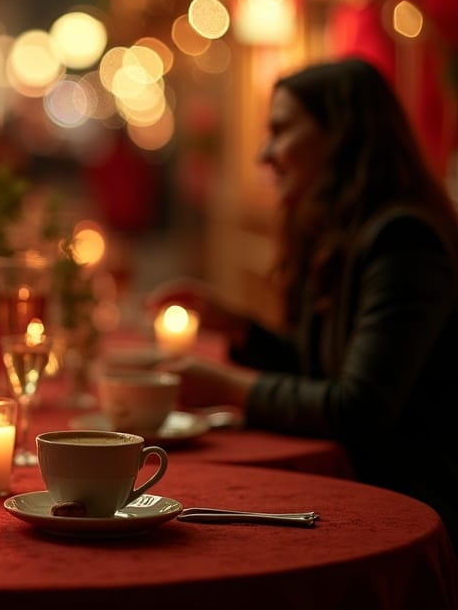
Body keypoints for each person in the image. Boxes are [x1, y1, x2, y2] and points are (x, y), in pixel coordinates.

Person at [146, 57, 458, 547]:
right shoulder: (340, 232)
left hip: (409, 510)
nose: (264, 154)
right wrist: (239, 328)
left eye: (281, 131)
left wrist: (230, 386)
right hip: (359, 487)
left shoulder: (403, 241)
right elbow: (324, 372)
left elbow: (357, 408)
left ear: (341, 137)